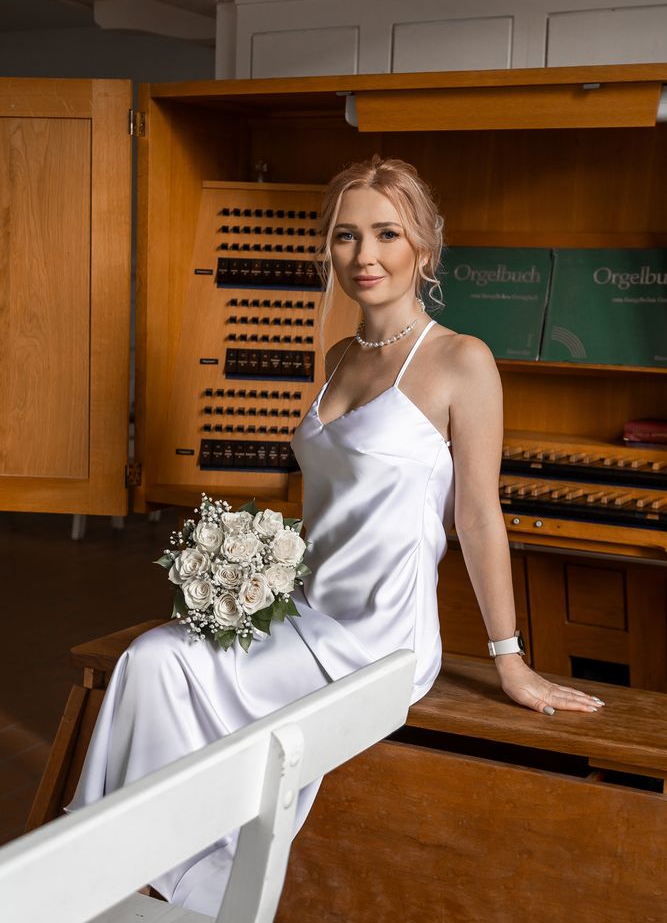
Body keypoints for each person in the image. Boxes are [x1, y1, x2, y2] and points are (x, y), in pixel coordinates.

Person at [66, 155, 605, 914]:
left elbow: (478, 516)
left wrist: (508, 660)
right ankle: (124, 872)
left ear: (423, 246)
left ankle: (150, 878)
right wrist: (251, 579)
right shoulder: (337, 358)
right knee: (151, 658)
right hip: (306, 612)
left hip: (379, 639)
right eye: (346, 236)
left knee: (165, 662)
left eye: (386, 234)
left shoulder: (461, 360)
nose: (364, 255)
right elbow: (328, 505)